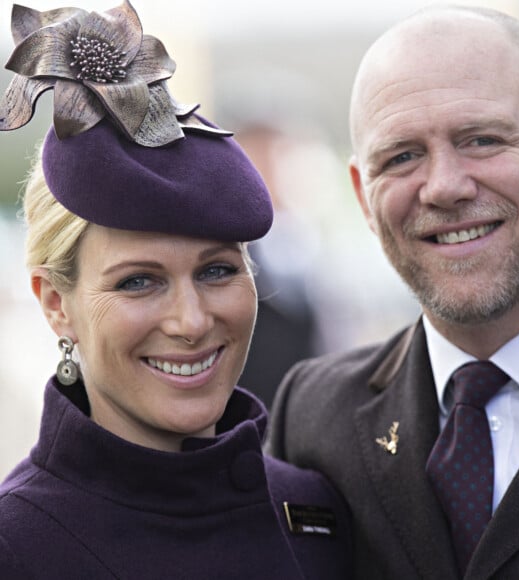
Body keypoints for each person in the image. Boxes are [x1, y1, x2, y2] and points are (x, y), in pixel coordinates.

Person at [0, 2, 353, 578]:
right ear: (54, 303)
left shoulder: (316, 513)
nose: (190, 322)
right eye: (138, 282)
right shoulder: (17, 544)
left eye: (217, 271)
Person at [267, 5, 519, 580]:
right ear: (362, 195)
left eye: (482, 140)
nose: (443, 187)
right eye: (403, 156)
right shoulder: (314, 418)